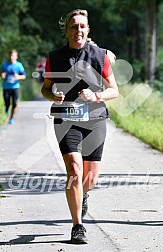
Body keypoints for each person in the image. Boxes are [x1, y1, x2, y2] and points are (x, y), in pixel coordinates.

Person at [41, 9, 119, 244]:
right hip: (66, 119)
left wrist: (96, 96)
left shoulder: (100, 56)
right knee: (74, 170)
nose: (78, 30)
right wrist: (52, 96)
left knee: (90, 178)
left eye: (82, 26)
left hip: (95, 119)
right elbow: (45, 88)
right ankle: (78, 226)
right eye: (73, 26)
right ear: (66, 30)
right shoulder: (54, 58)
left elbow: (114, 91)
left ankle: (84, 194)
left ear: (88, 30)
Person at [0, 49, 26, 124]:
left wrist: (18, 77)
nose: (11, 57)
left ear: (16, 57)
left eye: (13, 56)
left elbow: (24, 76)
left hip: (15, 87)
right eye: (10, 55)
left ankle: (11, 118)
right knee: (7, 103)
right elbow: (1, 73)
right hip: (6, 87)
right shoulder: (4, 64)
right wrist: (2, 75)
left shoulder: (19, 65)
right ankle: (7, 107)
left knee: (14, 103)